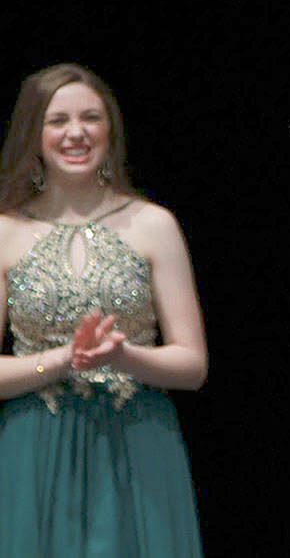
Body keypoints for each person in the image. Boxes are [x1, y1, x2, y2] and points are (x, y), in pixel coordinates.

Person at [0, 63, 206, 557]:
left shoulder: (153, 224)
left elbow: (193, 364)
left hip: (138, 440)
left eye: (90, 118)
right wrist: (63, 359)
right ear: (33, 133)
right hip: (35, 443)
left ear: (109, 128)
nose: (76, 132)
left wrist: (122, 357)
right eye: (58, 120)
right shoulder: (5, 230)